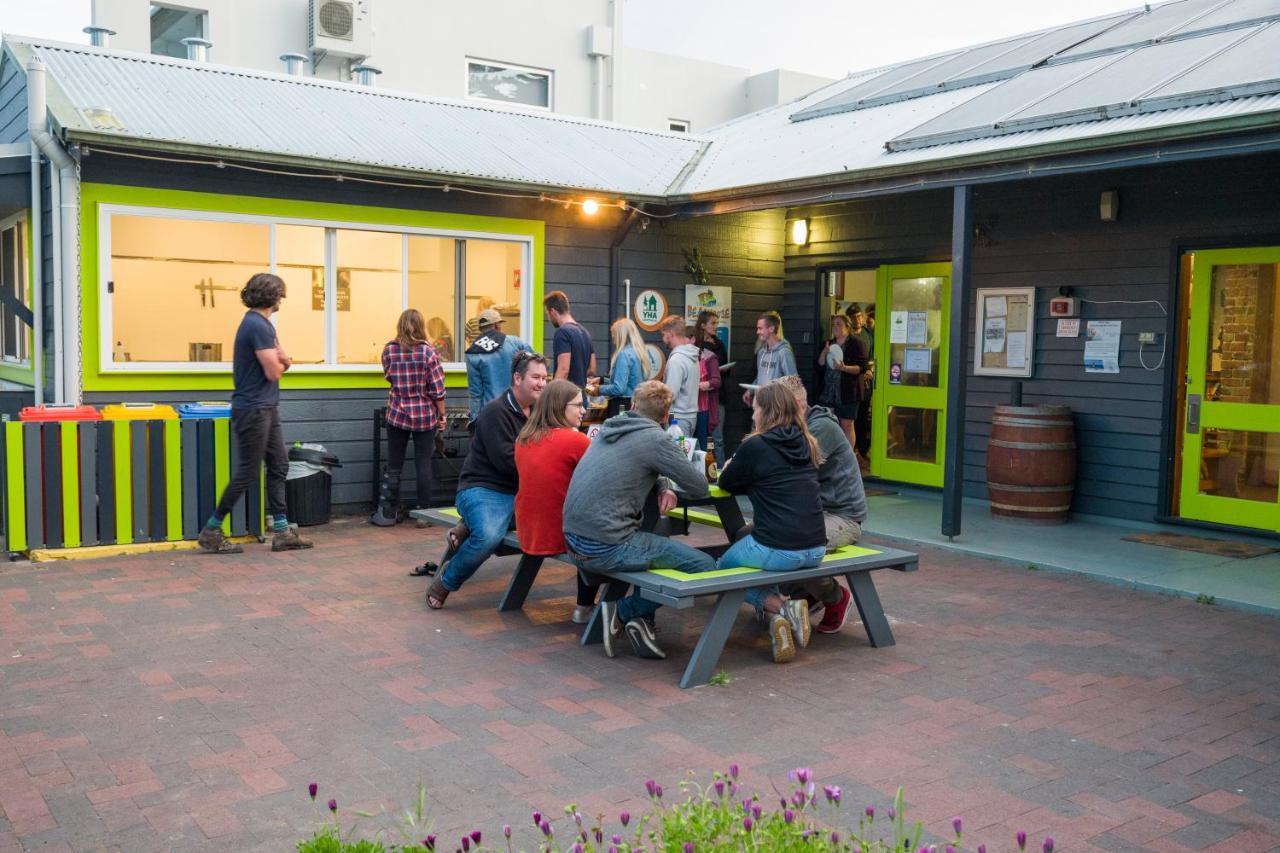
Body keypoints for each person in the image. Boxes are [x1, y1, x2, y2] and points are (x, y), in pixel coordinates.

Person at [562, 381, 713, 660]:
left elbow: (640, 463)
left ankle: (640, 623)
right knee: (705, 565)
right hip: (606, 547)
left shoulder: (609, 429)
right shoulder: (656, 439)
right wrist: (669, 480)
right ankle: (624, 611)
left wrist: (663, 483)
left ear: (632, 406)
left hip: (572, 541)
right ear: (666, 417)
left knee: (652, 545)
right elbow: (699, 487)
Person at [198, 273, 311, 554]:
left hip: (266, 407)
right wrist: (284, 363)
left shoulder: (264, 325)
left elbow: (280, 361)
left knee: (279, 464)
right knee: (248, 471)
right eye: (280, 295)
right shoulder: (257, 326)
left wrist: (282, 362)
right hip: (254, 409)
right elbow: (276, 369)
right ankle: (211, 530)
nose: (281, 300)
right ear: (273, 297)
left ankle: (283, 532)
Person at [426, 352, 549, 609]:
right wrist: (544, 467)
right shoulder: (495, 412)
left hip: (518, 492)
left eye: (545, 378)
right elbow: (507, 462)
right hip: (484, 489)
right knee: (489, 537)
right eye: (536, 377)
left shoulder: (540, 411)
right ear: (517, 378)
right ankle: (447, 580)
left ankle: (466, 525)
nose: (542, 384)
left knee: (551, 520)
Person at [716, 383, 826, 664]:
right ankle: (778, 621)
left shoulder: (755, 445)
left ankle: (783, 608)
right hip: (816, 548)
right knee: (750, 542)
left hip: (778, 547)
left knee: (720, 570)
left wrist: (731, 467)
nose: (752, 415)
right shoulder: (807, 441)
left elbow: (725, 482)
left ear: (766, 411)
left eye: (755, 409)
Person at [773, 374, 868, 634]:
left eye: (777, 408)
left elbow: (793, 472)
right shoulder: (794, 427)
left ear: (797, 405)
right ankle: (806, 592)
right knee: (756, 535)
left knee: (797, 545)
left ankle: (835, 598)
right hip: (814, 513)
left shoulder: (820, 428)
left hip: (843, 516)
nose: (773, 415)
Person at [513, 379, 594, 623]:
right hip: (558, 532)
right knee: (599, 534)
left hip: (528, 530)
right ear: (560, 406)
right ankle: (585, 607)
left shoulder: (524, 438)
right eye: (578, 405)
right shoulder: (576, 441)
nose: (583, 410)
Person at [372, 309, 448, 526]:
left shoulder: (389, 351)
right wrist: (442, 414)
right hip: (424, 414)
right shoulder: (429, 353)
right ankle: (423, 513)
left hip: (396, 412)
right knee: (423, 463)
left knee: (394, 464)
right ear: (421, 325)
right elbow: (438, 389)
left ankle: (388, 513)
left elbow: (389, 377)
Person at [465, 307, 533, 423]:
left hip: (491, 413)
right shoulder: (514, 342)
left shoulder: (473, 353)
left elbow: (476, 393)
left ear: (481, 329)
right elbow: (534, 362)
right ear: (497, 325)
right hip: (517, 408)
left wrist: (474, 419)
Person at [817, 314, 869, 448]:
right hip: (829, 392)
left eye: (839, 324)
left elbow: (862, 367)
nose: (835, 327)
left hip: (847, 393)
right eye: (833, 324)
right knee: (828, 425)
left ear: (847, 327)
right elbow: (821, 364)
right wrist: (824, 351)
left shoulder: (857, 344)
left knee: (846, 425)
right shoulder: (829, 344)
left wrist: (844, 368)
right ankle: (831, 457)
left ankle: (848, 457)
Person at [588, 317, 647, 412]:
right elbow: (628, 383)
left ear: (621, 335)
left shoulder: (623, 354)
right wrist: (602, 380)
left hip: (622, 406)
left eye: (614, 334)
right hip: (635, 404)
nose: (613, 338)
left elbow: (619, 388)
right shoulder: (638, 353)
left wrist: (599, 390)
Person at [544, 290, 596, 389]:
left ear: (553, 312)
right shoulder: (585, 332)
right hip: (581, 397)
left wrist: (551, 395)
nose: (548, 318)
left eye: (548, 314)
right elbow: (592, 369)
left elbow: (563, 370)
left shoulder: (562, 333)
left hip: (566, 398)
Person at [660, 316, 701, 438]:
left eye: (663, 335)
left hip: (677, 419)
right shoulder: (692, 356)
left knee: (675, 456)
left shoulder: (676, 360)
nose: (663, 339)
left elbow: (670, 395)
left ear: (671, 334)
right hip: (690, 417)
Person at [744, 311, 796, 405]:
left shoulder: (784, 352)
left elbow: (793, 381)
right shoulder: (761, 352)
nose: (757, 332)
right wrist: (750, 391)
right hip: (761, 404)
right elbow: (760, 378)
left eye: (760, 328)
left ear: (771, 329)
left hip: (776, 407)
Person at [693, 310, 729, 446]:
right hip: (701, 396)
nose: (716, 326)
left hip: (718, 393)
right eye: (712, 323)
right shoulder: (696, 345)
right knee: (702, 437)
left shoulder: (719, 344)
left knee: (717, 437)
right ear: (702, 325)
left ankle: (719, 467)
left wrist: (718, 371)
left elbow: (726, 367)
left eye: (717, 323)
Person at [845, 305, 874, 464]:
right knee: (849, 418)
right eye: (854, 316)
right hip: (849, 382)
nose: (858, 319)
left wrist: (870, 371)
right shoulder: (845, 336)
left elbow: (873, 356)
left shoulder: (868, 334)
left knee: (862, 417)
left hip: (865, 382)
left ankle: (862, 450)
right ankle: (851, 452)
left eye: (859, 316)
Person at [695, 343, 721, 452]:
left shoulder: (709, 357)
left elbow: (716, 381)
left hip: (704, 408)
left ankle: (717, 468)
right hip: (691, 410)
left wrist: (700, 385)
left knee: (709, 444)